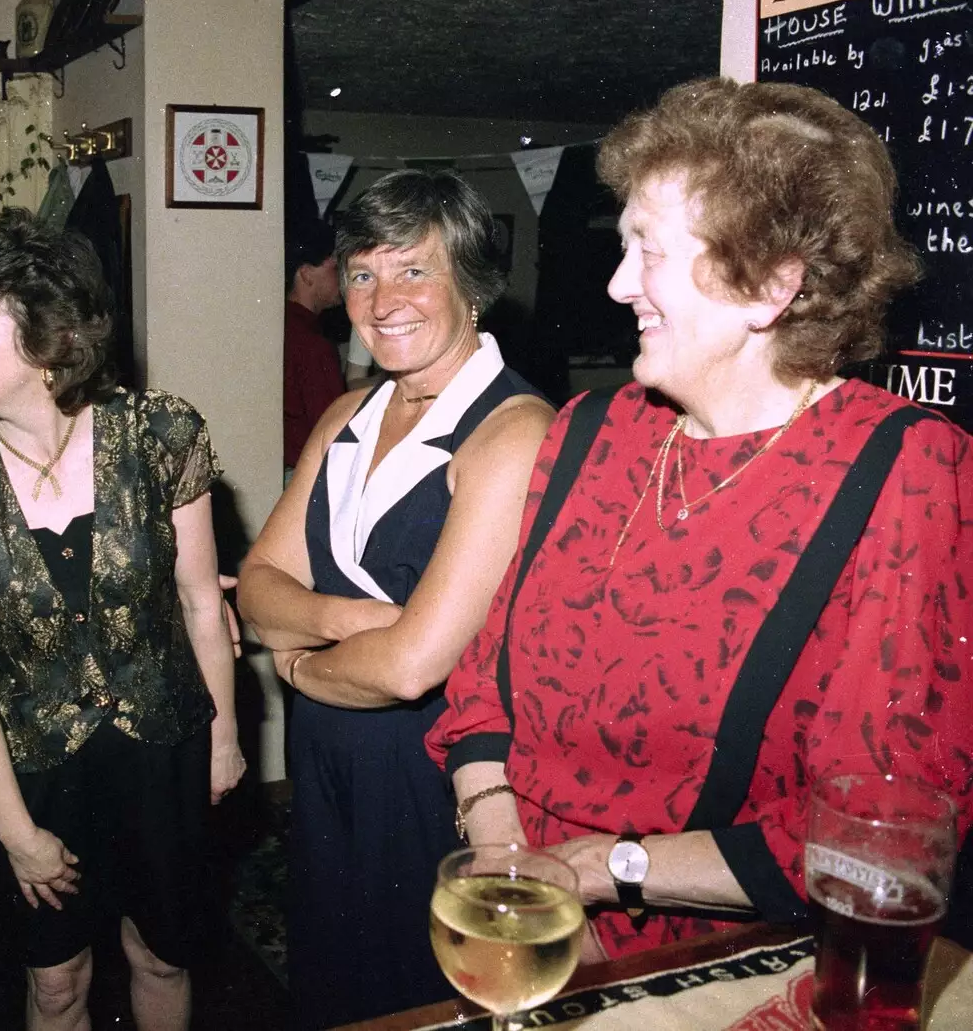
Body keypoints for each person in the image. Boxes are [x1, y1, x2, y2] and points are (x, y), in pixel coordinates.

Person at [428, 77, 973, 960]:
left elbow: (885, 823)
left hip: (721, 963)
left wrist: (605, 870)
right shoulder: (588, 434)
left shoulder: (905, 470)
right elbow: (485, 687)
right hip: (523, 910)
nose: (614, 284)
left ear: (769, 284)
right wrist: (510, 868)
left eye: (647, 251)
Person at [0, 210, 246, 1031]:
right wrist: (17, 835)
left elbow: (201, 602)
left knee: (162, 954)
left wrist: (224, 736)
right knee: (56, 984)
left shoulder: (161, 434)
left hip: (164, 751)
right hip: (35, 775)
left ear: (49, 336)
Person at [238, 169, 553, 1029]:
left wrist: (296, 663)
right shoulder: (346, 411)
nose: (383, 300)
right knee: (332, 983)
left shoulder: (512, 429)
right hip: (327, 753)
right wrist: (351, 622)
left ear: (472, 283)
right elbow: (258, 589)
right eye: (364, 273)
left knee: (422, 996)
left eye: (415, 270)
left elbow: (415, 669)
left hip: (435, 770)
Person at [283, 221, 345, 477]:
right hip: (306, 475)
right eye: (335, 267)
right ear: (307, 274)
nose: (343, 277)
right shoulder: (312, 345)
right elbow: (337, 432)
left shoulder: (281, 327)